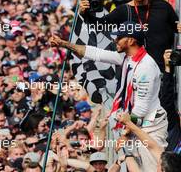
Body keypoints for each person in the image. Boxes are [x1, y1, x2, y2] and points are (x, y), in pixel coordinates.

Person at [50, 21, 168, 171]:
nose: (115, 40)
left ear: (131, 40)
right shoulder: (127, 57)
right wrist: (64, 44)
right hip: (136, 127)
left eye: (119, 38)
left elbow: (140, 111)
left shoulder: (146, 67)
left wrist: (124, 135)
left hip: (149, 128)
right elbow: (95, 53)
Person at [79, 0, 180, 71]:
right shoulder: (123, 11)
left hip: (164, 73)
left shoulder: (163, 7)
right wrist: (84, 13)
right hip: (138, 76)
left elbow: (176, 28)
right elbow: (99, 25)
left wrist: (179, 27)